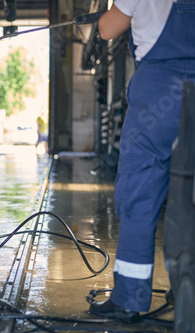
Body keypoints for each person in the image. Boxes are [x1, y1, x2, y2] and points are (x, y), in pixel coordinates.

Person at [90, 0, 195, 320]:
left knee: (141, 193)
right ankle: (186, 288)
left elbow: (107, 28)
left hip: (159, 92)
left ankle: (130, 298)